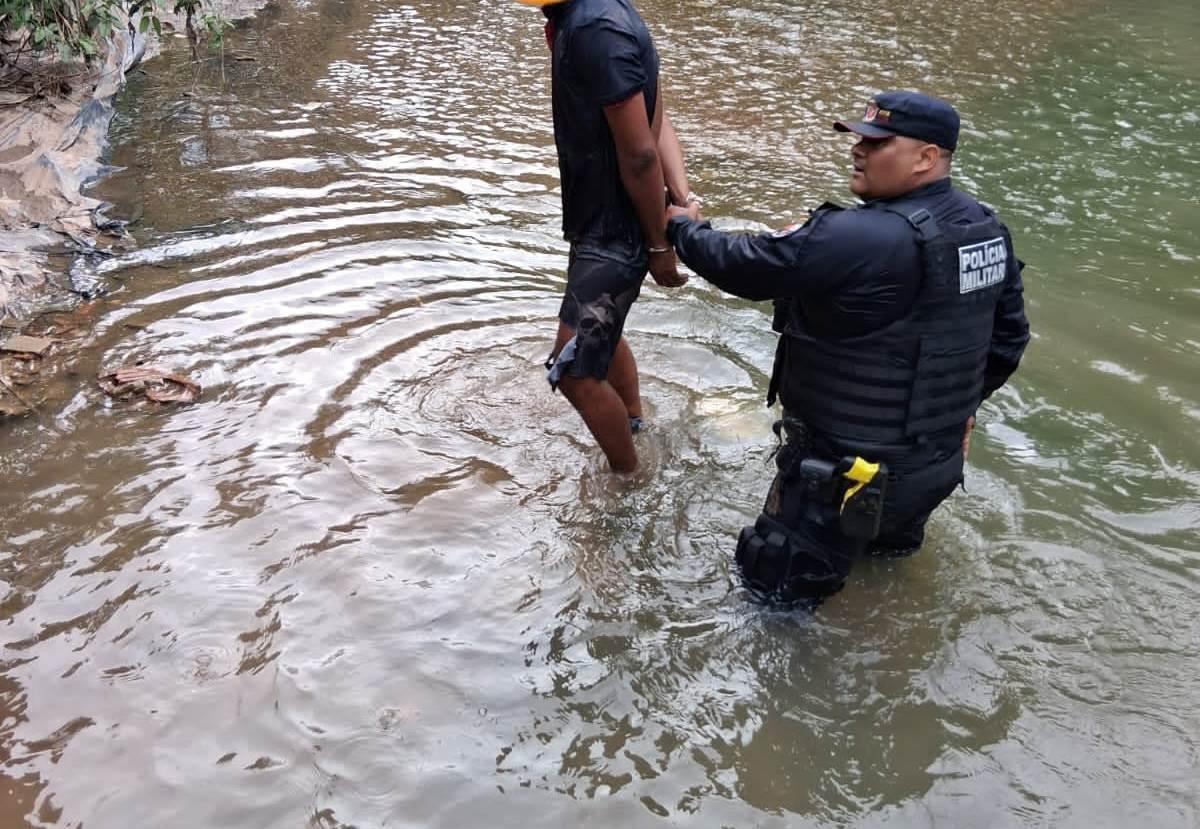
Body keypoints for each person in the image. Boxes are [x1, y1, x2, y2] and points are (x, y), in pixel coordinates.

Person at [665, 91, 1030, 604]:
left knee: (775, 610)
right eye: (859, 137)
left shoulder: (861, 236)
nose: (859, 149)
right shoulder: (987, 231)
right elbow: (1010, 338)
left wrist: (682, 227)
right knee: (884, 579)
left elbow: (744, 265)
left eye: (878, 142)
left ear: (927, 157)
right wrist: (958, 410)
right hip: (931, 467)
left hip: (840, 480)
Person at [518, 0, 696, 474]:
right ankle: (634, 423)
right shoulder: (592, 14)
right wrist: (681, 197)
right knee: (601, 333)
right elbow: (657, 116)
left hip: (616, 229)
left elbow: (640, 152)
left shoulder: (596, 26)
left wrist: (661, 242)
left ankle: (630, 476)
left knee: (574, 371)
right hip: (600, 217)